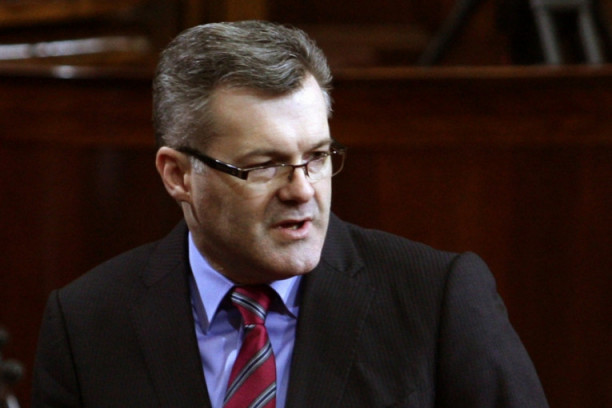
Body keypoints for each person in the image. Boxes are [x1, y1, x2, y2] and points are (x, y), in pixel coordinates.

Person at [32, 20, 549, 408]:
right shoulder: (87, 324)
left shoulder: (436, 299)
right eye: (265, 165)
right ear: (178, 176)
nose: (302, 190)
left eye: (317, 157)